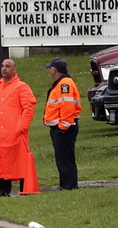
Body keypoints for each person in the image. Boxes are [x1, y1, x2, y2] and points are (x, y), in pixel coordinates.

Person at [0, 58, 37, 196]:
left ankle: (25, 189)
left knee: (20, 162)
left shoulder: (22, 87)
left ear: (14, 70)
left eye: (7, 66)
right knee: (2, 162)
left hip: (15, 133)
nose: (4, 68)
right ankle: (3, 190)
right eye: (2, 66)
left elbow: (28, 108)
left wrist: (20, 127)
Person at [43, 57, 81, 190]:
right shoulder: (63, 83)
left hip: (64, 128)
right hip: (61, 127)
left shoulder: (65, 84)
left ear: (54, 70)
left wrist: (62, 127)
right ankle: (65, 184)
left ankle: (69, 186)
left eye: (51, 70)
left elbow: (67, 107)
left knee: (65, 159)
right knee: (63, 158)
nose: (50, 73)